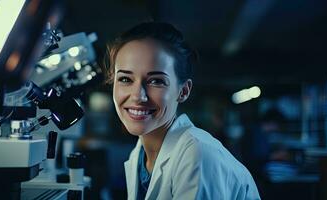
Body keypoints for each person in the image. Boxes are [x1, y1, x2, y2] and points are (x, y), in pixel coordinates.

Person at [104, 22, 260, 200]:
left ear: (183, 91)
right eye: (125, 79)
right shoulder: (139, 155)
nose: (138, 96)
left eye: (156, 81)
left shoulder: (197, 154)